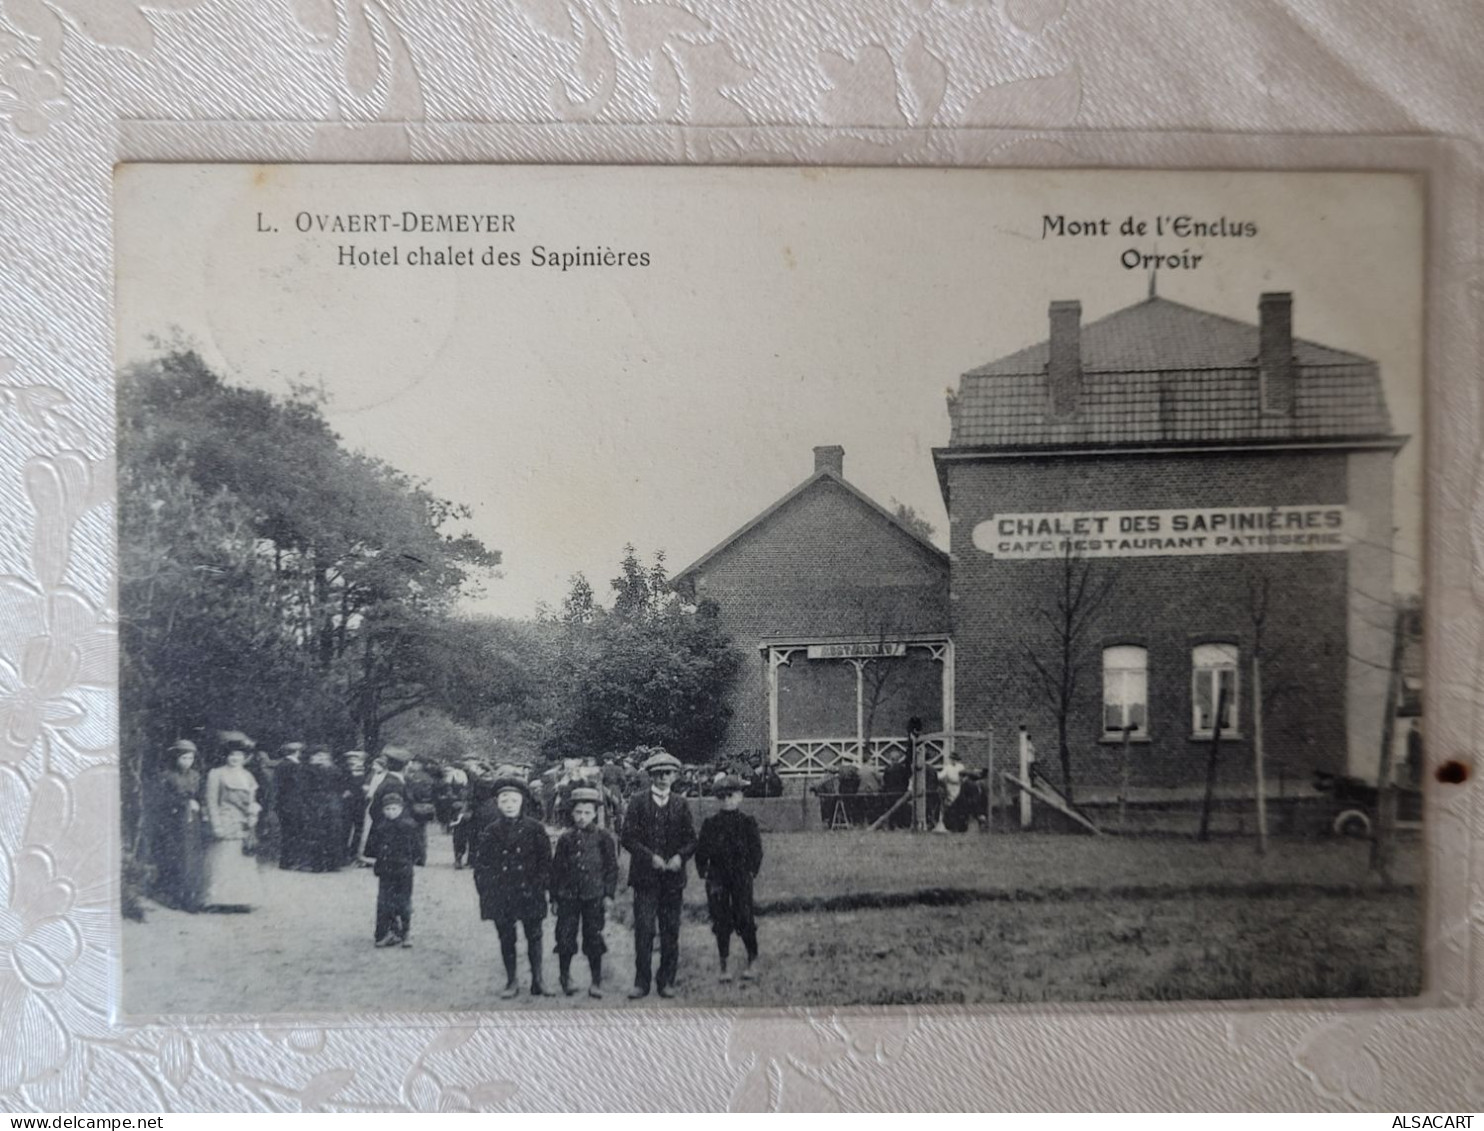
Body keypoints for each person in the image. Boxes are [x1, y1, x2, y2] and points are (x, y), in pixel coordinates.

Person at [620, 747, 697, 1000]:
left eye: (668, 773)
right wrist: (649, 857)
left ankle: (667, 981)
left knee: (670, 930)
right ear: (651, 776)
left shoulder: (681, 804)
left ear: (675, 776)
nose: (663, 778)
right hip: (645, 878)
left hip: (673, 879)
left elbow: (691, 840)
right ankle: (641, 982)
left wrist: (679, 857)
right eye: (658, 773)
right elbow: (628, 838)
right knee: (644, 930)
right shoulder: (638, 802)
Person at [472, 768, 553, 999]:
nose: (509, 804)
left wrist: (539, 885)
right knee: (506, 936)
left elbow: (546, 863)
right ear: (497, 803)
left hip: (530, 892)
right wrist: (487, 891)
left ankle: (538, 980)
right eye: (504, 800)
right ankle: (511, 981)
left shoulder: (535, 829)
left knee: (534, 934)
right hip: (502, 893)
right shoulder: (490, 831)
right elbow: (481, 866)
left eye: (514, 800)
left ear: (522, 801)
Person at [549, 786, 618, 998]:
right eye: (578, 812)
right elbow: (556, 869)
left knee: (593, 937)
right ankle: (565, 977)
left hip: (593, 896)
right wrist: (554, 897)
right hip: (568, 896)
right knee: (565, 936)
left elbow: (611, 868)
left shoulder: (603, 837)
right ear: (571, 813)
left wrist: (608, 894)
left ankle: (596, 981)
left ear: (595, 813)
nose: (582, 817)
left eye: (587, 813)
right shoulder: (565, 839)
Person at [695, 774, 763, 983]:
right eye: (722, 797)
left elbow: (756, 850)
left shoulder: (747, 823)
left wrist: (751, 871)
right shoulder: (711, 824)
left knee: (744, 917)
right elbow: (702, 851)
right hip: (717, 878)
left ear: (740, 797)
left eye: (731, 796)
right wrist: (703, 871)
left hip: (741, 877)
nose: (727, 801)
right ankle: (723, 964)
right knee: (721, 919)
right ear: (717, 799)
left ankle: (752, 959)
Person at [204, 734, 262, 911]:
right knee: (222, 861)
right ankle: (219, 900)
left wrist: (253, 814)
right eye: (231, 755)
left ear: (245, 758)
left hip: (243, 824)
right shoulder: (216, 774)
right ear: (226, 756)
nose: (235, 758)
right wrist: (216, 825)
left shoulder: (248, 776)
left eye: (239, 755)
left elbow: (252, 800)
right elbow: (211, 801)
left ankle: (241, 900)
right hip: (225, 820)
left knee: (241, 862)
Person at [150, 739, 205, 912]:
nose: (187, 762)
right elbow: (160, 800)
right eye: (183, 758)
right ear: (175, 758)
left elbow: (201, 796)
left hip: (192, 822)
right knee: (176, 857)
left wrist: (197, 805)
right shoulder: (166, 776)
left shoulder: (196, 776)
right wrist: (183, 803)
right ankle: (174, 896)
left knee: (192, 857)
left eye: (190, 758)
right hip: (173, 821)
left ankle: (192, 896)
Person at [363, 790, 420, 947]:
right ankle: (386, 932)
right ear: (383, 810)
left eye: (394, 809)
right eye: (387, 809)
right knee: (384, 901)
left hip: (403, 869)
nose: (391, 812)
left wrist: (411, 860)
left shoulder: (409, 826)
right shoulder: (380, 827)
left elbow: (417, 848)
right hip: (386, 869)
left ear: (401, 809)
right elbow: (373, 848)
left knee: (403, 901)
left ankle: (405, 932)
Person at [302, 746, 346, 871]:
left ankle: (333, 864)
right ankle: (317, 865)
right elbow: (305, 789)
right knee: (316, 835)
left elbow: (341, 785)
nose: (322, 758)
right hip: (316, 805)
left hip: (332, 805)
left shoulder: (334, 769)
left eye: (324, 756)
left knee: (333, 834)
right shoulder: (308, 770)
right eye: (319, 756)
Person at [275, 741, 308, 871]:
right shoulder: (293, 766)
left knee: (288, 833)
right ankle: (289, 861)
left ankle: (287, 861)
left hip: (284, 804)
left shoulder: (282, 765)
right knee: (292, 833)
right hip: (293, 804)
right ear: (297, 752)